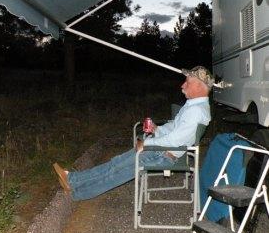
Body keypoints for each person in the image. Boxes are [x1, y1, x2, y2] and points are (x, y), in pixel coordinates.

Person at [53, 66, 214, 201]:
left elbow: (175, 139)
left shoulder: (196, 111)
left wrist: (146, 144)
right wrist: (157, 130)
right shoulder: (193, 106)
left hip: (163, 155)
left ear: (200, 86)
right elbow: (174, 129)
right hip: (162, 151)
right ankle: (73, 181)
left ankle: (76, 191)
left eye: (188, 82)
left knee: (117, 172)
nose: (183, 85)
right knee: (115, 164)